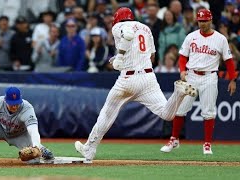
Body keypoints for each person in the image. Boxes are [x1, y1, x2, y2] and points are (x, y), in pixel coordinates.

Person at [74, 7, 198, 161]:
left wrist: (120, 56)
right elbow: (151, 55)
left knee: (107, 113)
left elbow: (128, 34)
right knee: (167, 114)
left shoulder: (118, 26)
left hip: (128, 80)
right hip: (148, 78)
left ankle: (89, 149)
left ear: (118, 19)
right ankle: (178, 92)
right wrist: (121, 58)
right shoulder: (146, 28)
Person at [160, 9, 237, 155]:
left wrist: (232, 79)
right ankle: (174, 139)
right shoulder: (191, 37)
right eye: (200, 21)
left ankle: (207, 144)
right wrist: (182, 70)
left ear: (210, 20)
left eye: (205, 20)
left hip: (209, 76)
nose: (202, 23)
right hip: (191, 75)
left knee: (208, 111)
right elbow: (182, 57)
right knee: (181, 108)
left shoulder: (220, 39)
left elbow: (229, 61)